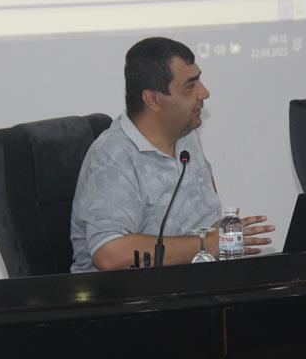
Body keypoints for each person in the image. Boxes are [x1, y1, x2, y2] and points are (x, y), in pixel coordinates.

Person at [70, 37, 274, 273]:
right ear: (153, 99)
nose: (204, 93)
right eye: (190, 86)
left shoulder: (186, 137)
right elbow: (111, 255)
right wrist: (206, 245)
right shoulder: (112, 157)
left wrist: (227, 235)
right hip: (130, 294)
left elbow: (203, 226)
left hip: (193, 283)